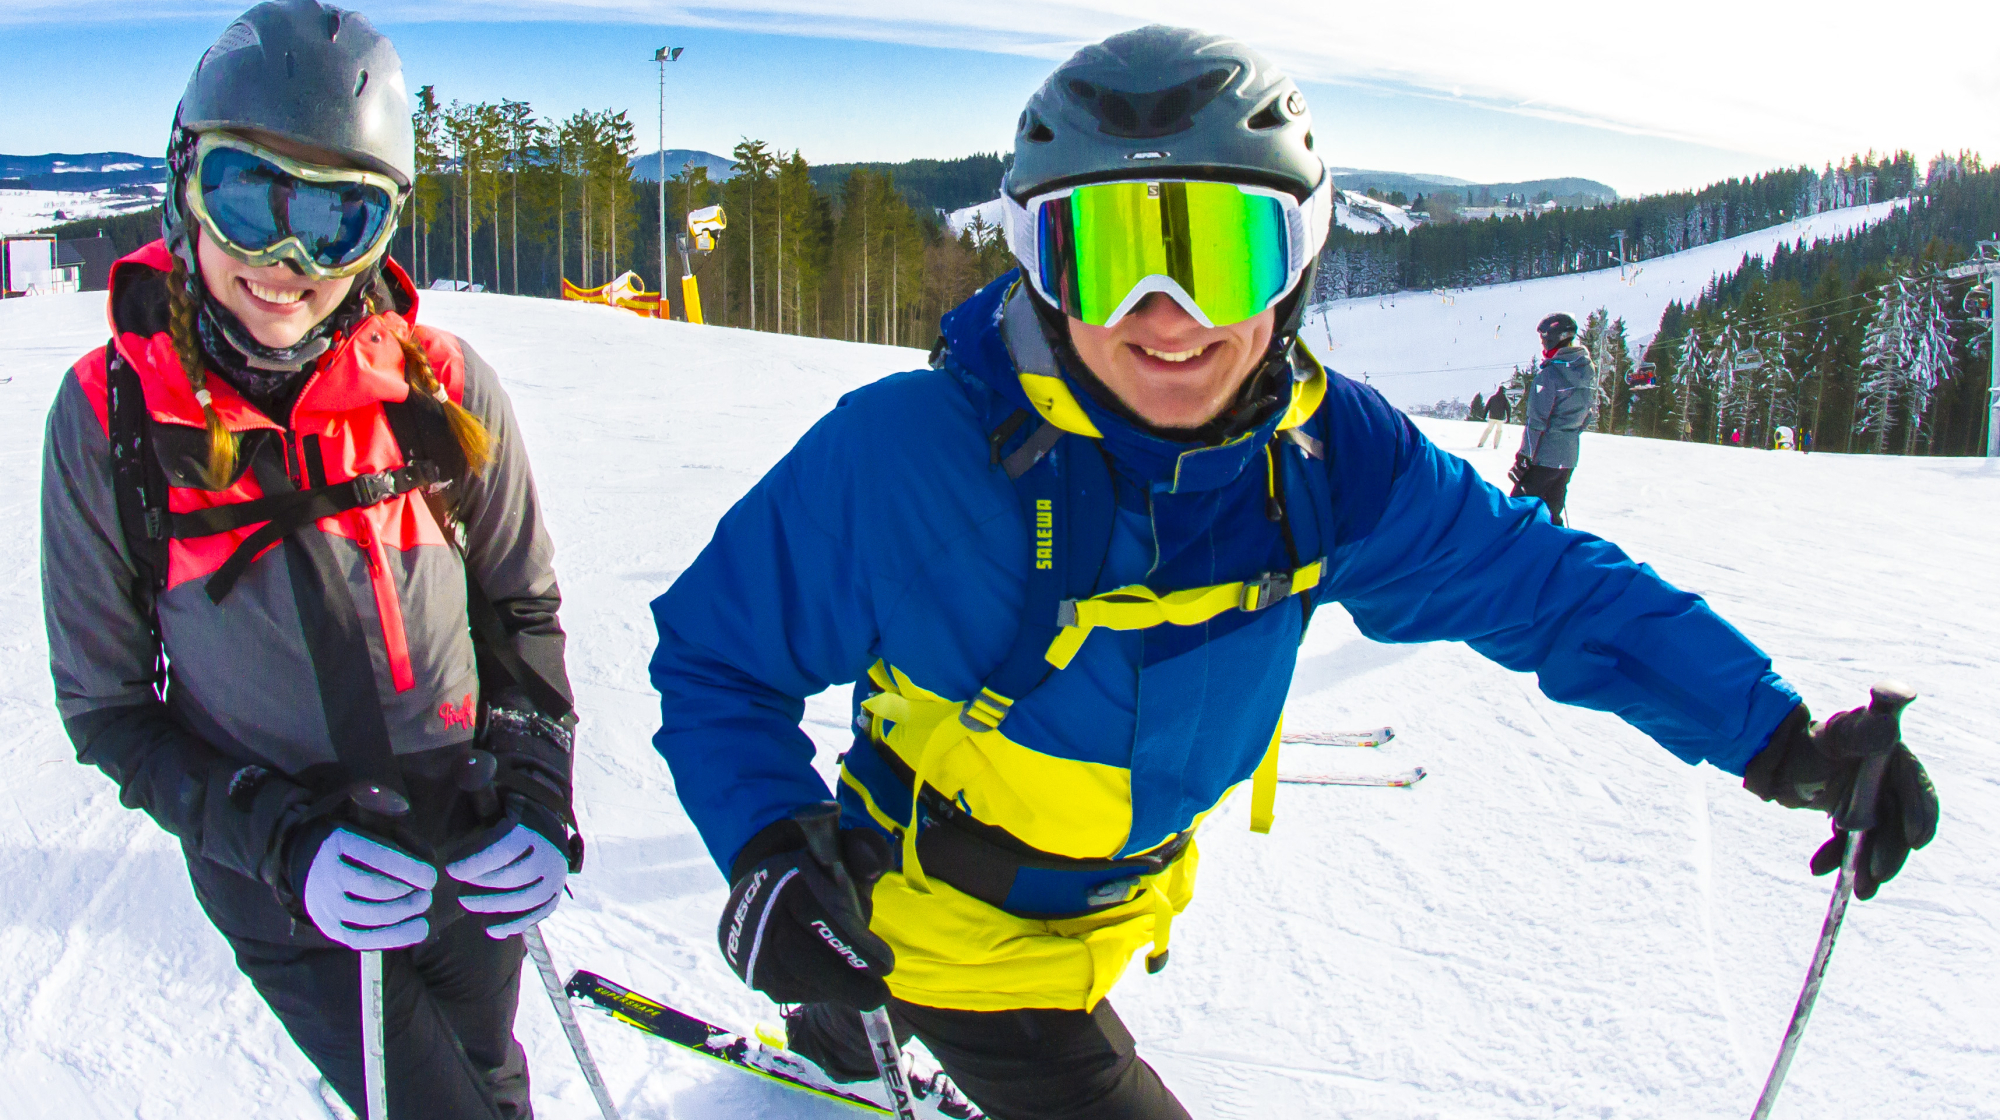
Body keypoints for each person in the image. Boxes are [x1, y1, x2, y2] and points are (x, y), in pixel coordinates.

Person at [648, 26, 1937, 1120]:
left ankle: (845, 1031)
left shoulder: (1326, 458)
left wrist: (1774, 737)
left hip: (1110, 898)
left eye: (1223, 254)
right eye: (1105, 256)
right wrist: (766, 842)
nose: (1166, 316)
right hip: (956, 930)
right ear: (1038, 271)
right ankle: (870, 1008)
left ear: (1299, 262)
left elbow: (1544, 586)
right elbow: (717, 656)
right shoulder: (908, 457)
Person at [40, 3, 578, 1116]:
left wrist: (534, 784)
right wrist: (284, 844)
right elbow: (109, 712)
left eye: (338, 219)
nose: (286, 264)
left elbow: (519, 607)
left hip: (467, 850)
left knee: (487, 1074)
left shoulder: (440, 385)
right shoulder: (112, 417)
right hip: (291, 891)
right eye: (249, 199)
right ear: (186, 185)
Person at [1509, 315, 1592, 522]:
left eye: (1543, 340)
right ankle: (1554, 542)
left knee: (1519, 512)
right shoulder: (1585, 370)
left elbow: (1536, 421)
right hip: (1569, 456)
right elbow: (1588, 413)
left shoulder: (1549, 375)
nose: (1543, 345)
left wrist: (1524, 457)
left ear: (1553, 339)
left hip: (1544, 456)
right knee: (1551, 512)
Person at [1476, 382, 1511, 447]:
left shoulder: (1492, 398)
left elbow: (1487, 407)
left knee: (1488, 430)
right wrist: (1508, 418)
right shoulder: (1504, 399)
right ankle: (1496, 445)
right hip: (1500, 418)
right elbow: (1508, 409)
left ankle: (1481, 443)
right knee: (1499, 431)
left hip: (1492, 417)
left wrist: (1484, 416)